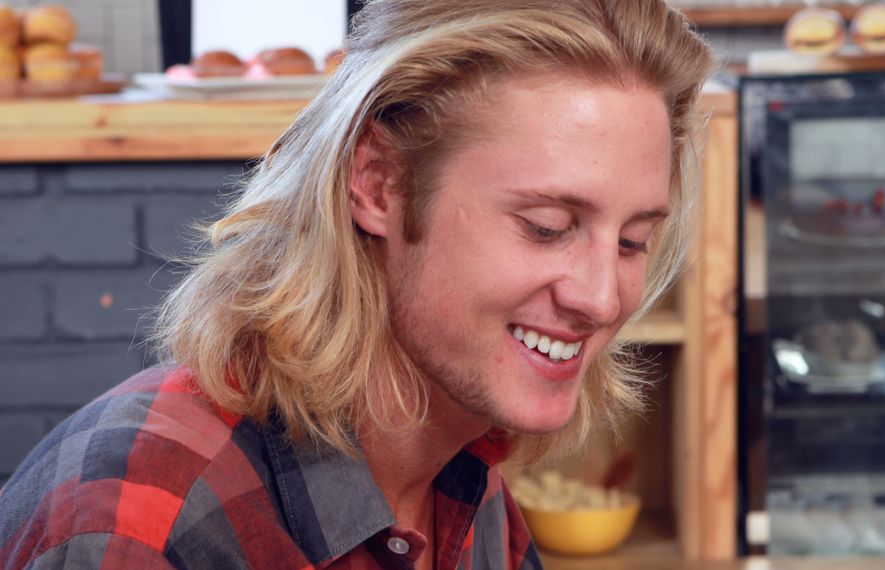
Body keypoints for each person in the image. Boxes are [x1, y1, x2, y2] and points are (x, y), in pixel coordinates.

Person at [0, 1, 714, 568]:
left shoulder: (469, 492)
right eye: (547, 226)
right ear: (379, 182)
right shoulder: (144, 524)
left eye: (632, 242)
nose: (602, 298)